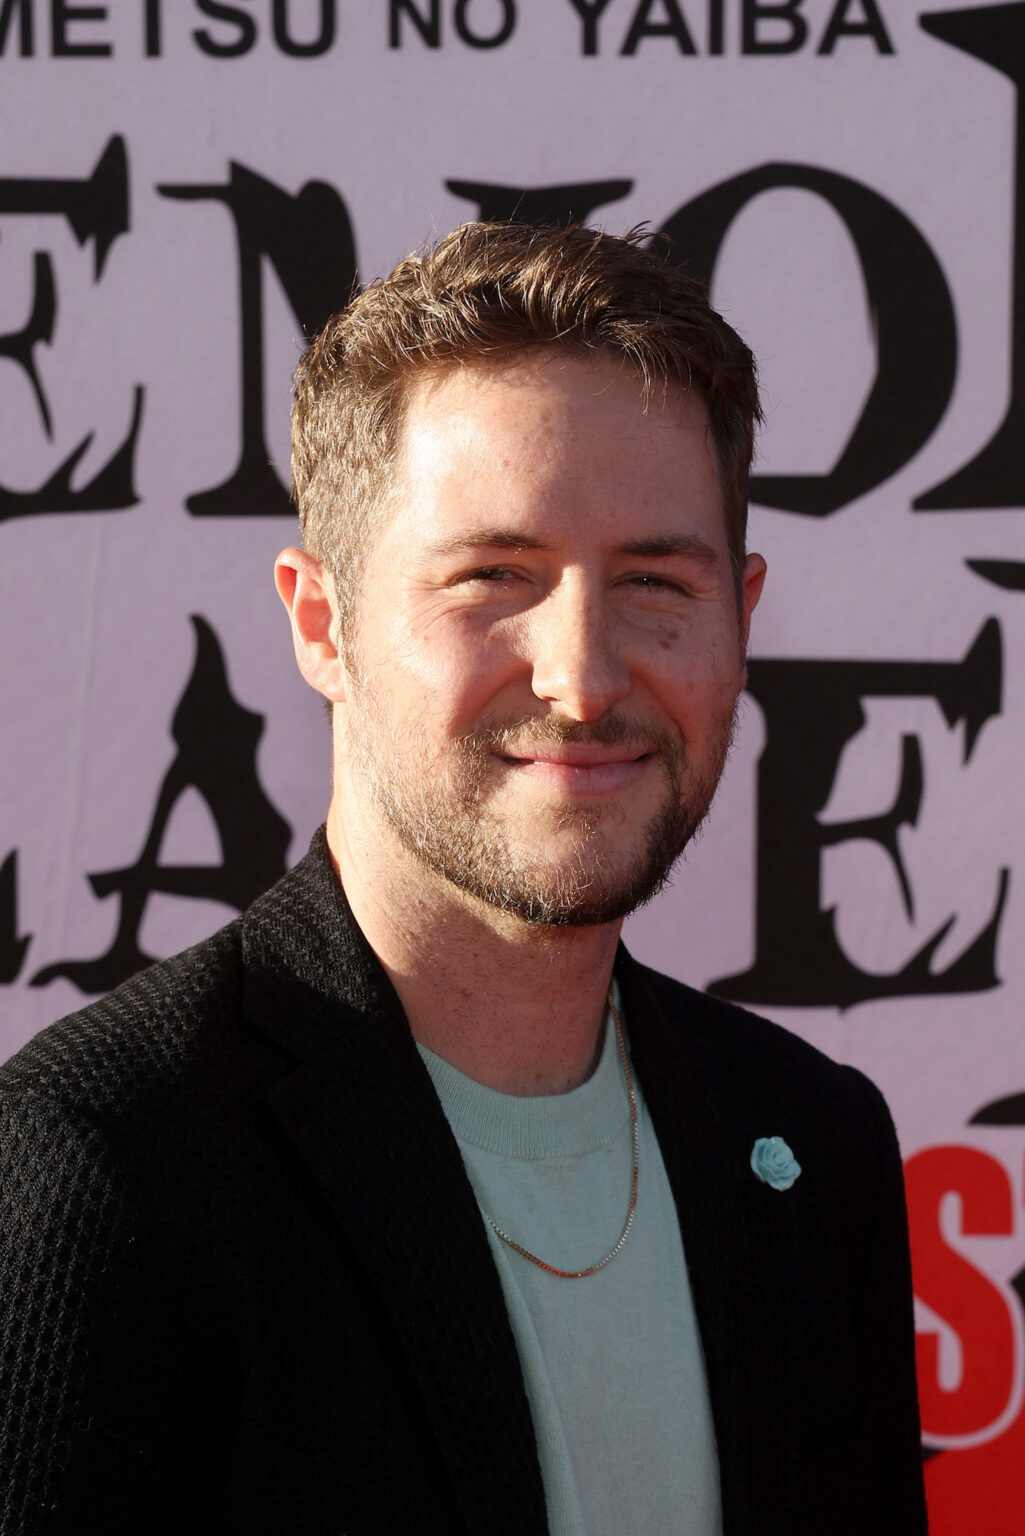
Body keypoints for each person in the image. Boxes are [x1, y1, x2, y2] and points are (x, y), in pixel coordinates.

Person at [0, 222, 926, 1535]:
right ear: (321, 622)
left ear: (741, 618)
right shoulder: (103, 1167)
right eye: (493, 577)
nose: (581, 677)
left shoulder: (810, 1145)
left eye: (655, 581)